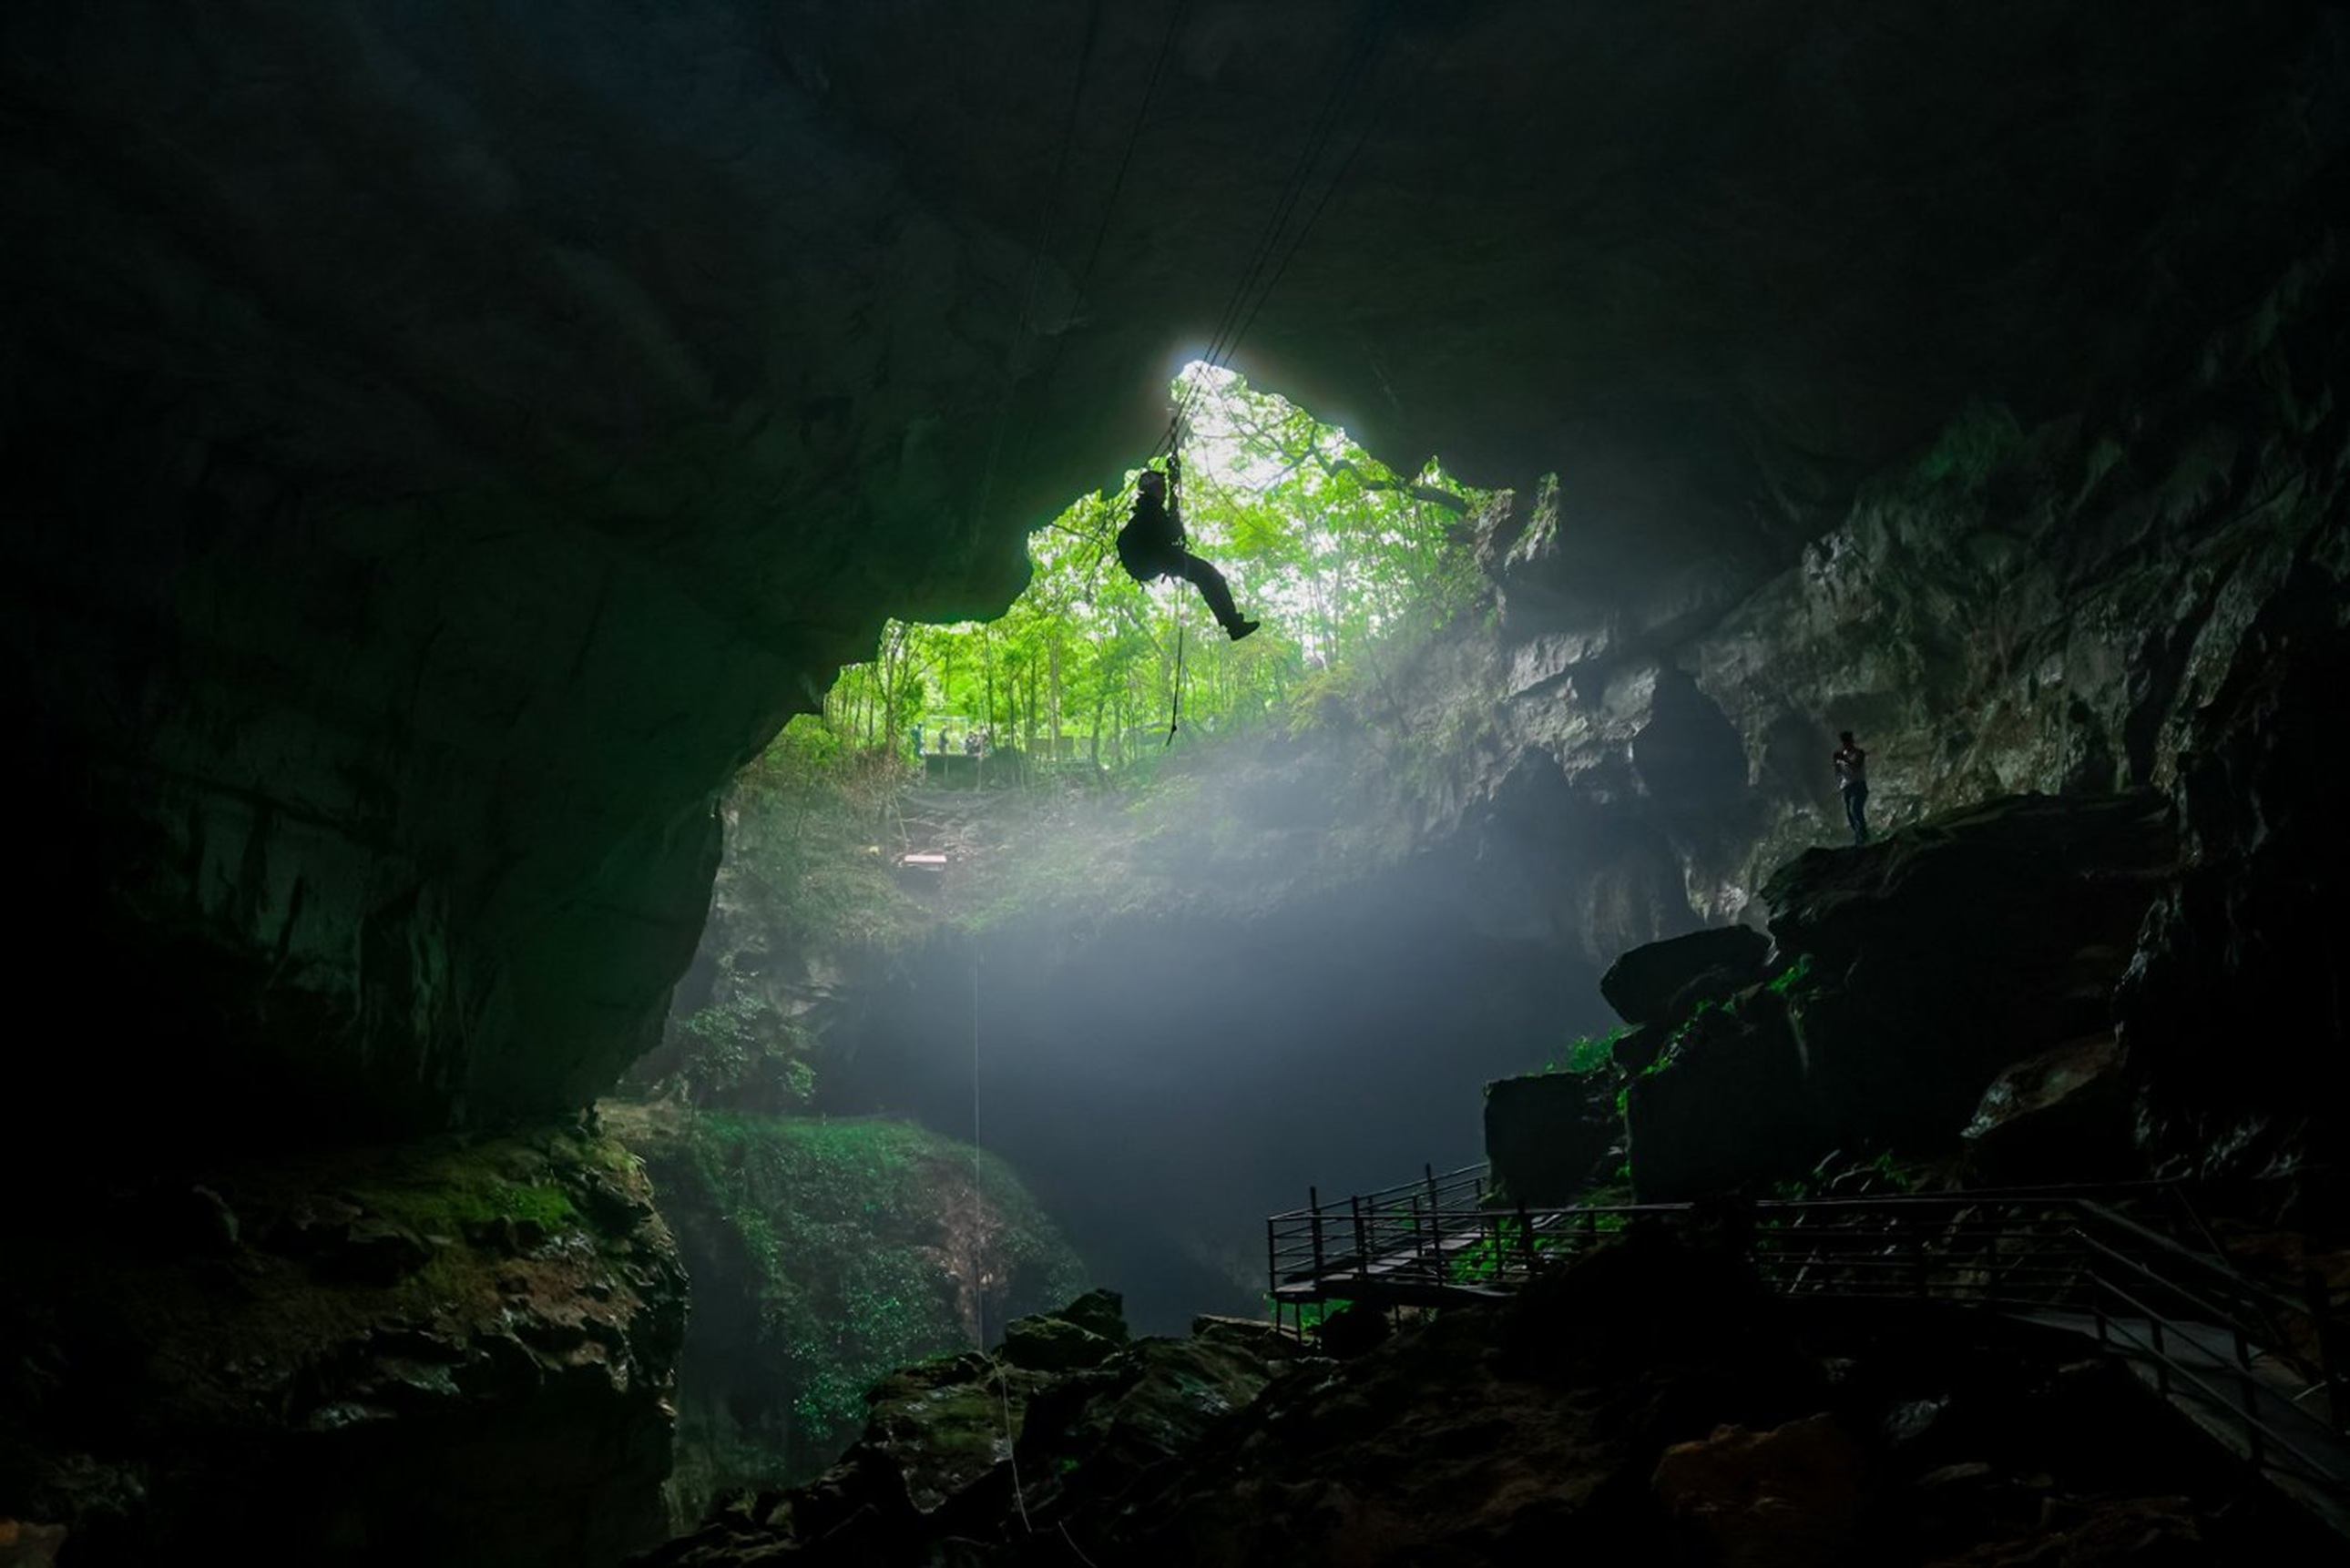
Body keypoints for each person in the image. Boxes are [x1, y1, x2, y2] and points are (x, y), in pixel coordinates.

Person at [1117, 463, 1259, 641]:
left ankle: (1232, 624)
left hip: (1151, 561)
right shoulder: (1152, 512)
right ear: (1153, 489)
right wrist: (1174, 515)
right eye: (1161, 487)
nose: (1164, 492)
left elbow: (1165, 533)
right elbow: (1172, 533)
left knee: (1206, 575)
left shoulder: (1148, 510)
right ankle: (1233, 625)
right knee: (1210, 576)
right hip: (1159, 558)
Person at [1833, 730, 1870, 846]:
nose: (1845, 744)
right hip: (1846, 787)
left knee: (1856, 810)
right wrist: (1836, 763)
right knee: (1850, 815)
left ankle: (1864, 837)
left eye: (1847, 741)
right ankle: (1859, 838)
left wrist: (1844, 759)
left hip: (1859, 785)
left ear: (1852, 741)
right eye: (1844, 742)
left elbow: (1856, 767)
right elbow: (1838, 773)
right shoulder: (1842, 755)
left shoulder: (1859, 753)